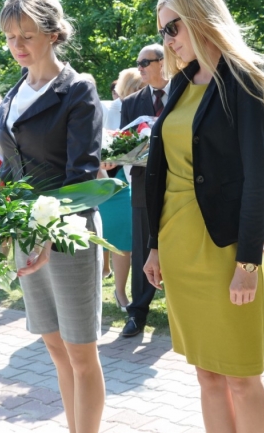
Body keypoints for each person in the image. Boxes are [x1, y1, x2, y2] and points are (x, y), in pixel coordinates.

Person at [144, 0, 264, 433]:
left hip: (226, 247)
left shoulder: (245, 76)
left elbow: (258, 178)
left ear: (200, 16)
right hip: (177, 243)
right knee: (206, 374)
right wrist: (154, 246)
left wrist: (248, 262)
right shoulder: (181, 82)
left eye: (173, 27)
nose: (168, 39)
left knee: (241, 376)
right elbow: (164, 171)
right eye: (163, 31)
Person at [0, 0, 106, 433]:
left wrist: (47, 234)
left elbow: (82, 175)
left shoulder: (78, 90)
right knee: (56, 349)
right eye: (10, 37)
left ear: (53, 33)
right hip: (27, 234)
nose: (17, 46)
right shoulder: (11, 96)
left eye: (26, 36)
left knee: (81, 353)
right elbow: (10, 169)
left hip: (69, 233)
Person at [119, 43, 168, 338]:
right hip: (142, 183)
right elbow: (124, 143)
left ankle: (182, 309)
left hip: (179, 183)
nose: (139, 68)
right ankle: (137, 313)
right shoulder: (131, 103)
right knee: (141, 249)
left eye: (145, 62)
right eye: (138, 63)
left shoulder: (185, 92)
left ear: (162, 62)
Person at [100, 68, 144, 309]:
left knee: (133, 240)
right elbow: (104, 146)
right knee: (121, 240)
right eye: (140, 87)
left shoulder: (148, 105)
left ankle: (140, 289)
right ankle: (120, 293)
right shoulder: (112, 109)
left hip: (140, 178)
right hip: (115, 183)